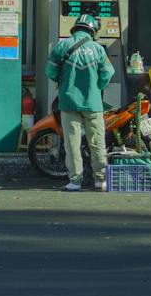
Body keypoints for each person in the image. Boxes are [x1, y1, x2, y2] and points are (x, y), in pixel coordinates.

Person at [45, 13, 114, 191]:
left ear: (75, 28)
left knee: (72, 143)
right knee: (97, 141)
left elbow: (50, 71)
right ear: (92, 31)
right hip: (93, 103)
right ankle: (100, 180)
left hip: (69, 101)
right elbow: (108, 72)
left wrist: (62, 80)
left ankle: (75, 181)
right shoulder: (98, 49)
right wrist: (96, 87)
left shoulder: (62, 46)